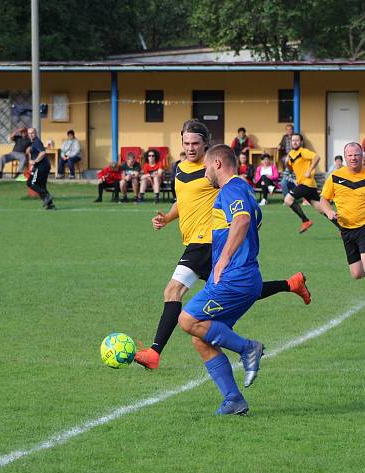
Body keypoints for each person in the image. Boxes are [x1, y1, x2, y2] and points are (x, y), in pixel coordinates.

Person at [133, 119, 311, 371]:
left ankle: (155, 352)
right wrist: (168, 218)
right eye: (186, 143)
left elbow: (237, 198)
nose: (191, 147)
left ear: (207, 144)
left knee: (172, 291)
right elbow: (182, 200)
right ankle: (291, 284)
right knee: (241, 289)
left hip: (206, 242)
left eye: (196, 143)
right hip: (195, 241)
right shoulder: (180, 168)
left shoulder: (214, 172)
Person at [178, 144, 266, 415]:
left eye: (206, 167)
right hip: (245, 277)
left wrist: (225, 258)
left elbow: (241, 221)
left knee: (187, 320)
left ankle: (247, 348)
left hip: (235, 276)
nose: (204, 174)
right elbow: (254, 220)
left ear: (217, 163)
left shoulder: (232, 189)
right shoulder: (245, 190)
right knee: (201, 338)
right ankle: (233, 399)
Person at [318, 142, 365, 318]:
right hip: (346, 229)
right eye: (350, 155)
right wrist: (329, 211)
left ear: (363, 156)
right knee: (357, 273)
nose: (353, 158)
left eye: (357, 154)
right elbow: (323, 199)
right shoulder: (335, 176)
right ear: (345, 157)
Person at [283, 133, 323, 233]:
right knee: (321, 209)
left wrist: (309, 170)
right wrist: (286, 163)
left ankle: (306, 221)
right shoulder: (291, 154)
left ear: (301, 142)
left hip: (307, 183)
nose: (295, 142)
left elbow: (317, 157)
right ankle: (342, 226)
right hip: (306, 184)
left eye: (297, 140)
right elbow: (291, 169)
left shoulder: (303, 152)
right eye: (293, 140)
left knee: (288, 199)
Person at [26, 127, 55, 209]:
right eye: (29, 133)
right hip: (44, 166)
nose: (31, 135)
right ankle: (51, 205)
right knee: (42, 186)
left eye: (32, 133)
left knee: (30, 183)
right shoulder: (33, 142)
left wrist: (35, 161)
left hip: (41, 167)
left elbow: (42, 152)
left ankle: (47, 197)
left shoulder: (37, 142)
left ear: (36, 133)